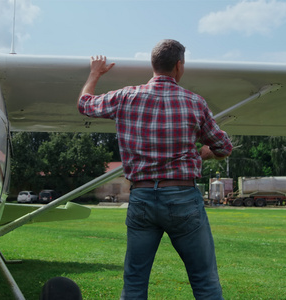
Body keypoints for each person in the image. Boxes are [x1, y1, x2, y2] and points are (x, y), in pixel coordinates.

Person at [77, 39, 232, 299]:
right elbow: (224, 146)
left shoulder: (126, 96)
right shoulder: (195, 102)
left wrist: (94, 73)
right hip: (183, 197)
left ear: (153, 65)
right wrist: (204, 153)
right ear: (179, 66)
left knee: (135, 281)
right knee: (204, 280)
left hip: (142, 197)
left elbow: (85, 104)